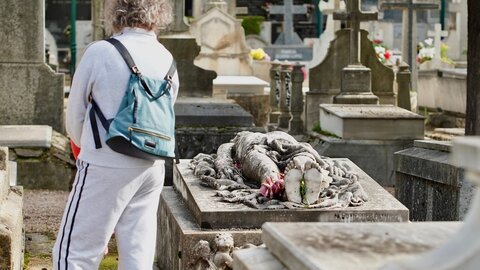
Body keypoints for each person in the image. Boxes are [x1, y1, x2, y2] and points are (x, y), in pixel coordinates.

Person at [53, 0, 178, 269]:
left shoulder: (101, 52)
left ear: (116, 12)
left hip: (105, 161)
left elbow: (74, 115)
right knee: (138, 253)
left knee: (76, 252)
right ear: (159, 14)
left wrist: (85, 150)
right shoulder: (166, 57)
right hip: (151, 164)